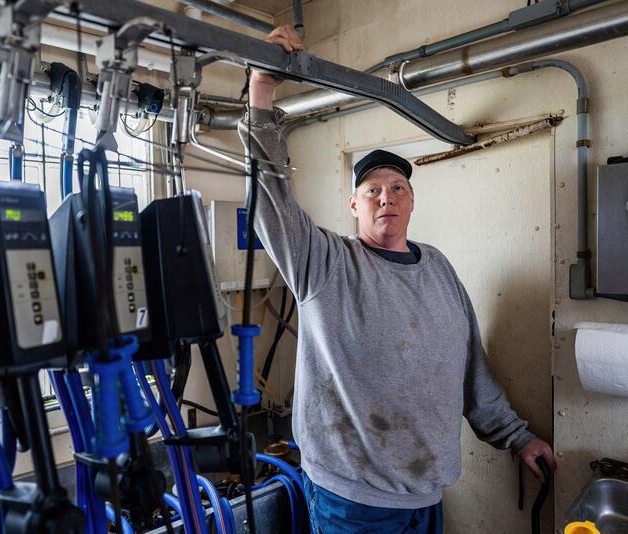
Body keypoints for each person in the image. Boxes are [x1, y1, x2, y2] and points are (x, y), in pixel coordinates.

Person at [238, 24, 557, 533]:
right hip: (351, 500)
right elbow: (271, 203)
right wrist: (261, 92)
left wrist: (517, 437)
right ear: (353, 205)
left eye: (397, 187)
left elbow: (470, 366)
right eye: (371, 190)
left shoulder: (439, 268)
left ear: (411, 200)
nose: (386, 196)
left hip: (427, 492)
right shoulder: (325, 263)